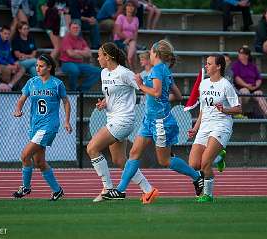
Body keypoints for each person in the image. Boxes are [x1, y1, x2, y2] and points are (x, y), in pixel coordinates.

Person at [101, 40, 204, 201]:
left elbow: (156, 92)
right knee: (134, 153)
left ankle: (197, 177)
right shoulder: (165, 70)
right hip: (149, 120)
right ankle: (120, 190)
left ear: (155, 53)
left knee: (165, 160)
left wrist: (141, 85)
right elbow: (176, 95)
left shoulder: (157, 70)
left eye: (150, 51)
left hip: (160, 122)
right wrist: (162, 99)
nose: (149, 53)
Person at [86, 42, 158, 204]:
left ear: (108, 57)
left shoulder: (125, 73)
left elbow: (143, 88)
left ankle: (108, 188)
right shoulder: (104, 73)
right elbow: (113, 95)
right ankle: (148, 190)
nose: (97, 58)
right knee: (119, 160)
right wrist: (104, 102)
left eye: (99, 55)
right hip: (113, 119)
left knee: (92, 148)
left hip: (123, 120)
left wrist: (155, 93)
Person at [12, 54, 72, 201]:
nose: (37, 68)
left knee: (25, 155)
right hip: (35, 126)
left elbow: (66, 102)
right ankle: (57, 190)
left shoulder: (57, 84)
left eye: (41, 66)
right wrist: (18, 109)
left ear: (49, 67)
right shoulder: (31, 82)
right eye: (36, 66)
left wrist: (67, 121)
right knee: (39, 162)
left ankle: (25, 187)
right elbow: (22, 99)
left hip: (49, 125)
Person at [188, 54, 241, 203]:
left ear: (218, 67)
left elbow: (238, 109)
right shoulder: (203, 84)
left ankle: (208, 195)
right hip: (205, 126)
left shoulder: (226, 85)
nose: (206, 66)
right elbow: (203, 109)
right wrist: (195, 127)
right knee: (193, 164)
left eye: (209, 64)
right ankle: (218, 157)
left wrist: (224, 110)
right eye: (206, 63)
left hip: (221, 125)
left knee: (205, 162)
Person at [232, 45, 267, 118]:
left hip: (254, 87)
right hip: (242, 87)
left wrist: (256, 86)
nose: (239, 54)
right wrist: (246, 85)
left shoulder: (252, 66)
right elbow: (237, 79)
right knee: (245, 92)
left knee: (259, 93)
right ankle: (239, 114)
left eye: (241, 53)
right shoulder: (236, 65)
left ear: (247, 55)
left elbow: (258, 78)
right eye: (239, 53)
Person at [59, 20, 101, 91]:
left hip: (79, 64)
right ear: (70, 29)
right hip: (67, 64)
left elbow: (89, 53)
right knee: (74, 70)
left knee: (98, 71)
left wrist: (77, 51)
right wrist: (82, 54)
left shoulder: (81, 40)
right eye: (74, 28)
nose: (76, 29)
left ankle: (81, 90)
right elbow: (71, 54)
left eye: (77, 28)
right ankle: (73, 90)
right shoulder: (66, 38)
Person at [0, 25, 25, 89]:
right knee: (8, 70)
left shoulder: (7, 42)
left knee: (22, 68)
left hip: (6, 63)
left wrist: (13, 63)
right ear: (0, 33)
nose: (7, 36)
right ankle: (5, 87)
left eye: (8, 34)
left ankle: (10, 85)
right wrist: (8, 65)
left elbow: (9, 56)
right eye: (5, 33)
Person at [113, 0, 139, 69]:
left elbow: (135, 35)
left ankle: (131, 64)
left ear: (134, 8)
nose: (130, 7)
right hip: (120, 40)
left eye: (132, 6)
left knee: (133, 47)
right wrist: (127, 38)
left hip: (130, 41)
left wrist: (129, 39)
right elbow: (118, 32)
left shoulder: (136, 19)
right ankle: (132, 69)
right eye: (129, 5)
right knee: (130, 50)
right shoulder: (120, 17)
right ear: (125, 7)